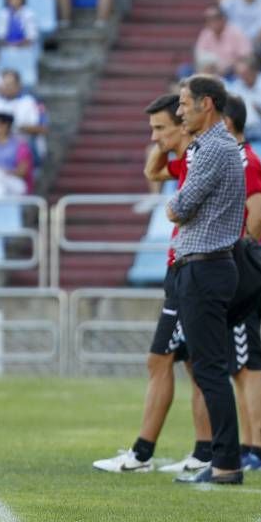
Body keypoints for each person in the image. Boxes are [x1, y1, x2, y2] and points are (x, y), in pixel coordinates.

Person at [93, 94, 212, 474]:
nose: (154, 135)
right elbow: (152, 172)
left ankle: (141, 454)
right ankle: (205, 451)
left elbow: (167, 191)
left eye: (160, 127)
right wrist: (164, 143)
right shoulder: (186, 161)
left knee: (159, 359)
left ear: (183, 124)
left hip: (189, 271)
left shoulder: (197, 161)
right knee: (195, 365)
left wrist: (173, 143)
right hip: (182, 270)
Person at [166, 75, 246, 485]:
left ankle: (227, 463)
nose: (180, 111)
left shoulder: (213, 148)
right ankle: (224, 459)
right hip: (205, 266)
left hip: (205, 266)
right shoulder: (212, 146)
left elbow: (179, 207)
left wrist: (174, 206)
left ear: (207, 104)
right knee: (209, 367)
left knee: (210, 370)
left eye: (184, 103)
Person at [222, 94, 261, 472]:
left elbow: (257, 212)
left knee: (248, 362)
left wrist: (242, 260)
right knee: (239, 365)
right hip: (231, 271)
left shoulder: (246, 160)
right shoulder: (235, 159)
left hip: (240, 273)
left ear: (226, 122)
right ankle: (249, 444)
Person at [227, 57, 261, 142]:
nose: (242, 78)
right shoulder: (237, 85)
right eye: (239, 74)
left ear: (254, 70)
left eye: (245, 73)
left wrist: (260, 109)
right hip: (242, 132)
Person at [194, 6, 253, 78]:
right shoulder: (206, 33)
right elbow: (199, 54)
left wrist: (230, 66)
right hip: (211, 70)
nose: (212, 22)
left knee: (241, 68)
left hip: (231, 70)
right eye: (209, 20)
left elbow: (246, 56)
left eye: (215, 19)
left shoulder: (236, 32)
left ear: (223, 19)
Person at [0, 111, 32, 197]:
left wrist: (2, 173)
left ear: (4, 126)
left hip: (15, 183)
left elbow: (22, 172)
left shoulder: (20, 145)